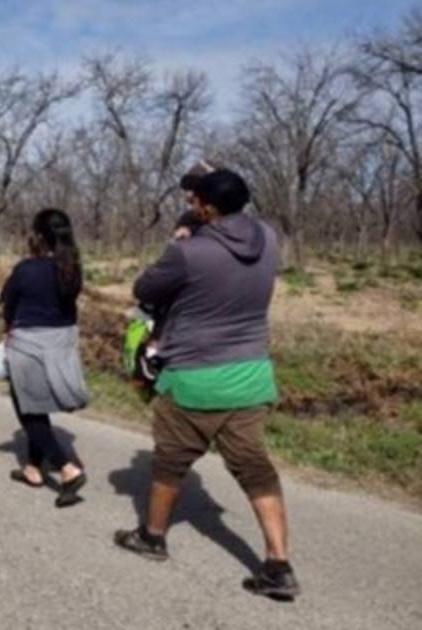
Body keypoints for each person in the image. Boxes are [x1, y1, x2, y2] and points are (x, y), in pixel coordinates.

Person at [113, 169, 299, 601]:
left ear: (207, 208)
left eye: (195, 199)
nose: (191, 203)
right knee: (255, 469)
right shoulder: (268, 238)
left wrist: (179, 241)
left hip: (194, 378)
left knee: (170, 462)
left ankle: (152, 537)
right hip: (251, 375)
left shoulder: (188, 252)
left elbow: (145, 288)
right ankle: (278, 563)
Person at [0, 208, 90, 508]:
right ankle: (33, 468)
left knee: (28, 410)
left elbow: (8, 302)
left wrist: (7, 328)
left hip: (29, 344)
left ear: (38, 236)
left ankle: (67, 469)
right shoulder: (71, 269)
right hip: (60, 344)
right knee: (37, 405)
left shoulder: (27, 269)